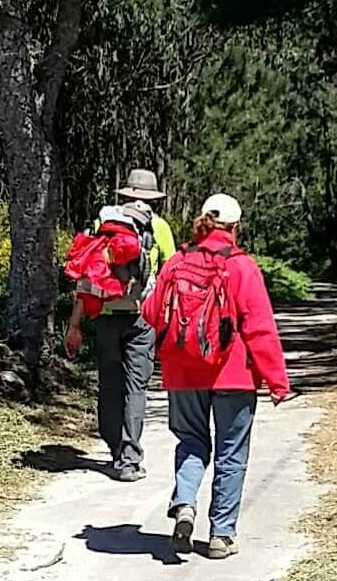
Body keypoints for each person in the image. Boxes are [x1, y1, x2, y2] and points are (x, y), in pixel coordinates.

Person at [141, 193, 291, 559]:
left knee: (191, 442)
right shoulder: (242, 267)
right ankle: (221, 535)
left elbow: (150, 312)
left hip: (183, 374)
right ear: (235, 228)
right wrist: (276, 380)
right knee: (231, 452)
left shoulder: (177, 261)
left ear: (202, 222)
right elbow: (259, 328)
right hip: (234, 375)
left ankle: (186, 504)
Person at [63, 168, 175, 482]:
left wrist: (75, 324)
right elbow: (171, 273)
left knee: (109, 384)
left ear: (125, 195)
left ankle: (115, 449)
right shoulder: (159, 227)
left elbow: (86, 278)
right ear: (153, 198)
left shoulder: (102, 223)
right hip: (142, 317)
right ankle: (129, 460)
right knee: (135, 387)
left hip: (105, 314)